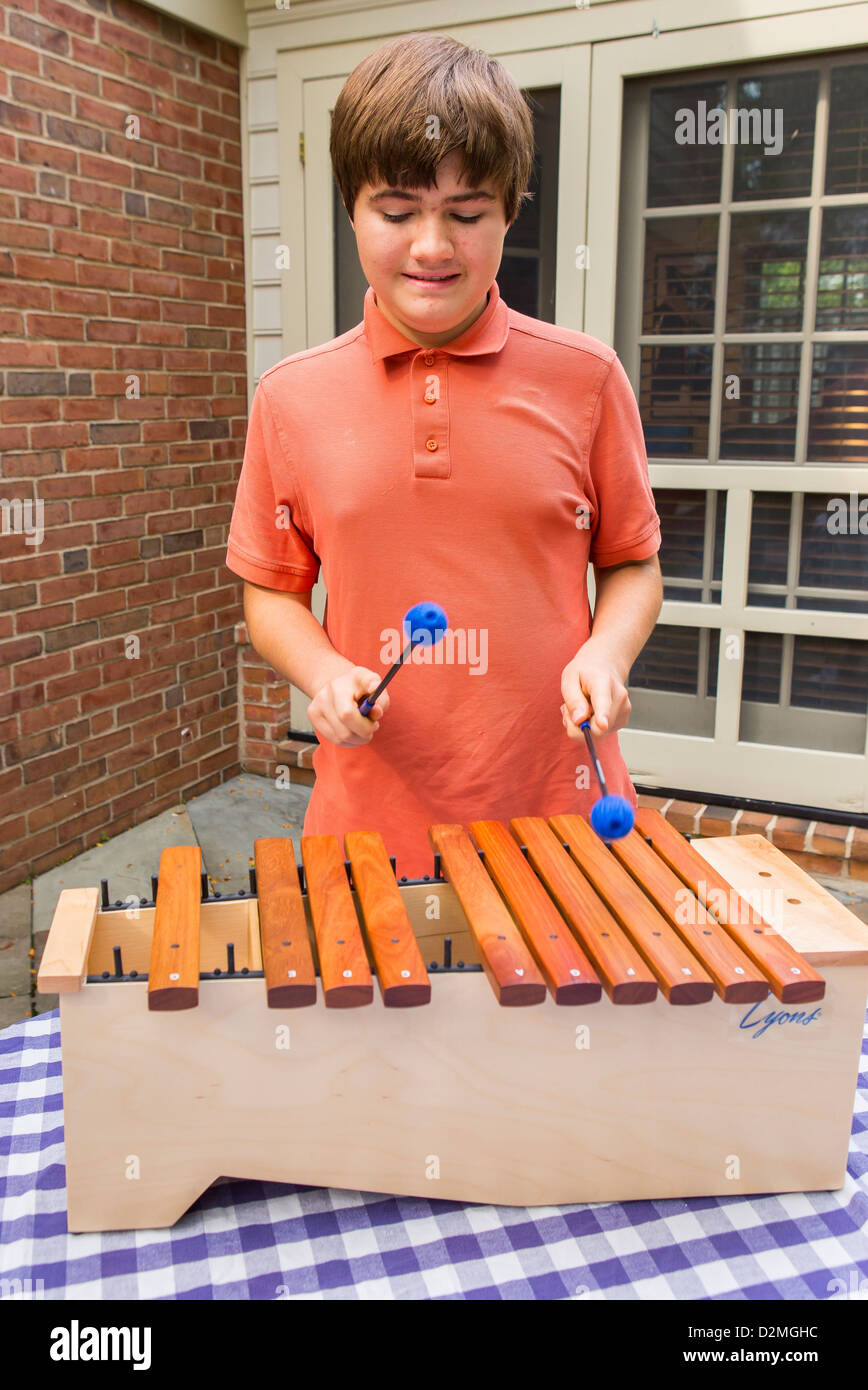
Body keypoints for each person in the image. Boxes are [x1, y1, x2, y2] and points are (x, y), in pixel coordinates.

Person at [226, 32, 663, 879]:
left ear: (508, 214)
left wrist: (604, 654)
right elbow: (271, 595)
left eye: (467, 214)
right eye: (396, 212)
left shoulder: (585, 379)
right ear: (351, 207)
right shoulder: (290, 399)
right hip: (368, 826)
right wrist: (321, 673)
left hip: (563, 816)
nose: (432, 246)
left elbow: (634, 566)